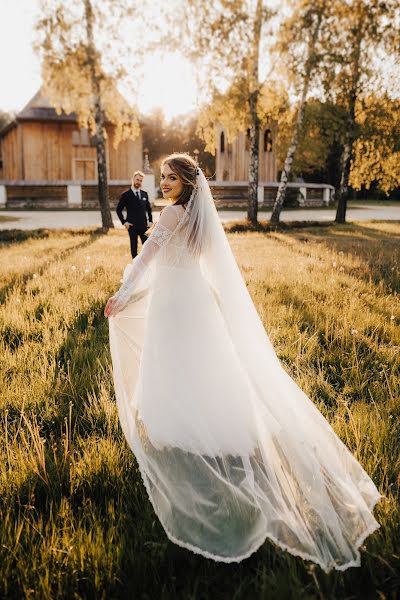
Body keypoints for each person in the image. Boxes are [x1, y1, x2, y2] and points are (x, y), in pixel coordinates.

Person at [104, 153, 380, 572]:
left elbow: (147, 259)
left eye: (171, 178)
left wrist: (122, 294)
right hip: (195, 298)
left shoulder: (171, 216)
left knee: (176, 361)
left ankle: (181, 425)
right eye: (162, 177)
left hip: (175, 303)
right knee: (201, 363)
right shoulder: (198, 217)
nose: (164, 183)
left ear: (186, 182)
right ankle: (214, 418)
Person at [116, 170, 153, 258]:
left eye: (140, 180)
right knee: (134, 248)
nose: (138, 182)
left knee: (147, 248)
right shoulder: (126, 195)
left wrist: (150, 221)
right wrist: (124, 222)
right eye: (137, 180)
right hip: (132, 226)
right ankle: (135, 268)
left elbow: (149, 209)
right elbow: (118, 209)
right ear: (133, 179)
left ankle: (146, 266)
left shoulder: (144, 194)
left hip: (144, 226)